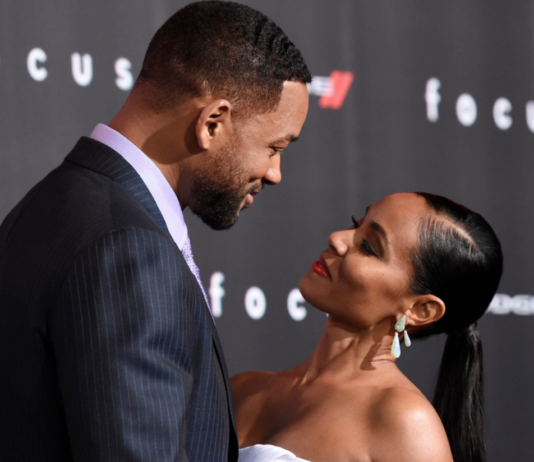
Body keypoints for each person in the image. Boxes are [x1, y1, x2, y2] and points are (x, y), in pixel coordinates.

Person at [0, 2, 310, 461]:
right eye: (274, 146)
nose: (275, 172)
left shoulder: (51, 203)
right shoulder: (129, 248)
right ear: (212, 123)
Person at [232, 192, 503, 462]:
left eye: (369, 246)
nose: (337, 238)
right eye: (355, 223)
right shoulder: (241, 389)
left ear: (421, 310)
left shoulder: (407, 425)